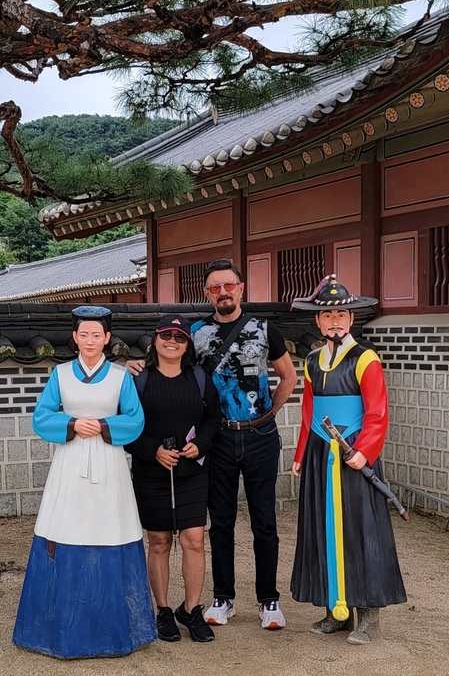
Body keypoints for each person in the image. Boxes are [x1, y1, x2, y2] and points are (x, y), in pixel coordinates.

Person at [126, 259, 298, 630]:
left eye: (229, 285)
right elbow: (170, 360)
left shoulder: (265, 329)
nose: (223, 292)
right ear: (207, 294)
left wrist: (267, 414)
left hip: (260, 436)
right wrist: (136, 365)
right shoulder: (196, 333)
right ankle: (223, 597)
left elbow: (289, 376)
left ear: (241, 288)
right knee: (220, 521)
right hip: (217, 437)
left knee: (264, 520)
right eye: (215, 287)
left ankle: (268, 600)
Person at [13, 306, 156, 659]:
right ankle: (57, 628)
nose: (90, 341)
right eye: (84, 334)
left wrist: (105, 425)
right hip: (71, 460)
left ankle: (117, 630)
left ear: (107, 338)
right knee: (65, 527)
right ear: (74, 337)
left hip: (109, 462)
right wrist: (73, 424)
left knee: (112, 527)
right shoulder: (60, 374)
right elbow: (42, 416)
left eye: (97, 334)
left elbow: (135, 419)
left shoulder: (120, 377)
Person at [290, 276, 407, 645]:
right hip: (319, 453)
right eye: (328, 315)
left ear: (352, 319)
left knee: (361, 530)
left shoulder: (365, 359)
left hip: (352, 452)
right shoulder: (312, 361)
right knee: (322, 527)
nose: (335, 321)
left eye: (342, 314)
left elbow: (378, 412)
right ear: (318, 321)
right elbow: (308, 411)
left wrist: (364, 451)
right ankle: (334, 611)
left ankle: (368, 617)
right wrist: (301, 452)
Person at [125, 314, 221, 644]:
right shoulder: (138, 379)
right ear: (154, 340)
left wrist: (201, 444)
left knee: (194, 539)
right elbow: (125, 428)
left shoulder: (200, 377)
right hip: (151, 473)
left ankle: (191, 610)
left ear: (187, 344)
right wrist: (152, 450)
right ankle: (163, 610)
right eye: (166, 335)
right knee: (160, 541)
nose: (172, 341)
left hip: (192, 471)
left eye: (180, 337)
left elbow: (213, 419)